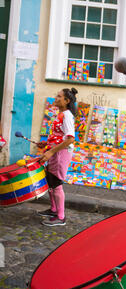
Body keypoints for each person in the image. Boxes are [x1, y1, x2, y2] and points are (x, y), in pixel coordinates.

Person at [37, 88, 77, 226]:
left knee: (56, 184)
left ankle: (61, 217)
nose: (56, 98)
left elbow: (70, 139)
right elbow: (60, 136)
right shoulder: (61, 114)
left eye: (59, 96)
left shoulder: (67, 115)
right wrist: (46, 144)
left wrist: (51, 152)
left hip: (61, 153)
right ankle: (54, 210)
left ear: (67, 101)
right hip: (55, 152)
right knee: (50, 182)